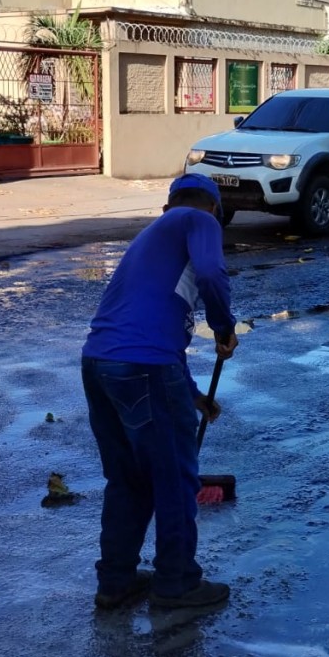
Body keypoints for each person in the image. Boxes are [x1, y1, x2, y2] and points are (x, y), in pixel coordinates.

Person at [81, 173, 238, 611]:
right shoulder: (201, 220)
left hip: (98, 365)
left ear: (166, 206)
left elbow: (157, 329)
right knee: (174, 478)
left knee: (128, 479)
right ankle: (178, 582)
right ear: (215, 208)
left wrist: (191, 394)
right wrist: (224, 326)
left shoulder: (151, 239)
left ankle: (116, 580)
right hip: (144, 368)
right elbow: (211, 272)